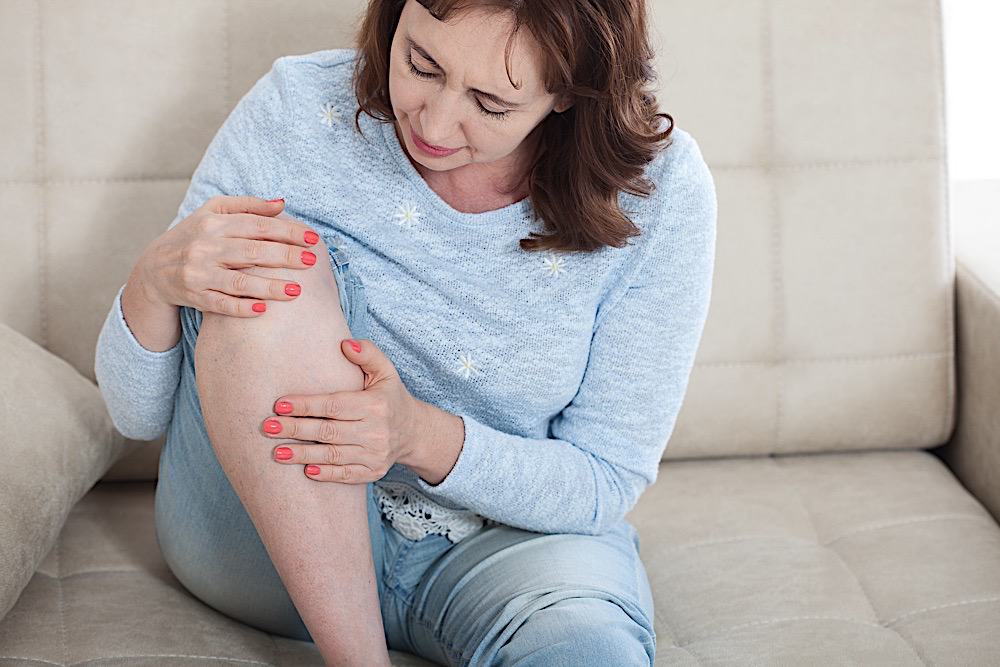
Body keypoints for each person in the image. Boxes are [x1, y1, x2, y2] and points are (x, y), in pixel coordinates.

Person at [93, 0, 717, 664]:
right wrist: (154, 282)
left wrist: (416, 435)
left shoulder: (661, 192)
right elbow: (137, 415)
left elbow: (603, 479)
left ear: (567, 91)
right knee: (278, 273)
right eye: (421, 63)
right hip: (262, 540)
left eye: (491, 103)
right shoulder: (296, 110)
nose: (437, 121)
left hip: (507, 545)